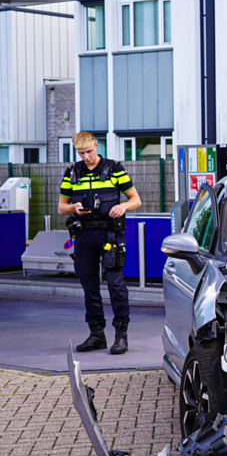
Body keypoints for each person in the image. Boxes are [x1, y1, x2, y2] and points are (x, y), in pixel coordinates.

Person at [58, 132, 141, 354]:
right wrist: (74, 208)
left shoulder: (114, 168)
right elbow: (61, 207)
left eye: (89, 151)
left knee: (115, 284)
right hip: (84, 235)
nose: (86, 156)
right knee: (89, 285)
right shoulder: (72, 172)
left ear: (96, 145)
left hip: (110, 234)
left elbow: (136, 199)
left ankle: (121, 336)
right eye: (81, 153)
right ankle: (96, 335)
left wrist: (123, 206)